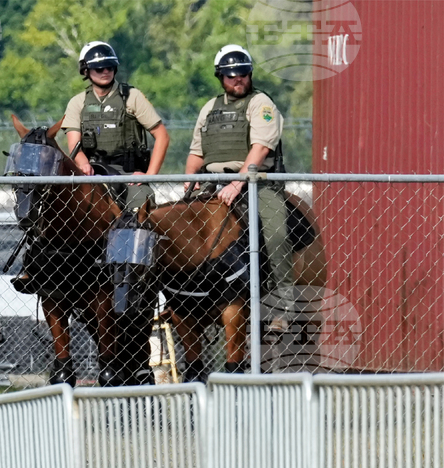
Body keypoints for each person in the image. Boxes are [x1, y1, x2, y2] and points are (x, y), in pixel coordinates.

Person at [186, 44, 291, 313]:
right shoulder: (209, 107)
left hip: (257, 183)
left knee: (277, 233)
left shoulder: (261, 103)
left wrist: (237, 182)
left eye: (243, 73)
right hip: (212, 182)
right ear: (220, 77)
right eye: (231, 75)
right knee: (182, 230)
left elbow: (261, 148)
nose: (238, 79)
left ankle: (282, 302)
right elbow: (197, 151)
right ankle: (184, 298)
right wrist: (189, 179)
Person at [64, 41, 170, 211]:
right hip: (93, 173)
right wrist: (83, 164)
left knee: (142, 205)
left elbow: (162, 136)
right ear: (86, 70)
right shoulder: (78, 102)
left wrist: (149, 175)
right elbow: (73, 144)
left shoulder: (132, 97)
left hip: (128, 175)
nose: (106, 71)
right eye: (99, 68)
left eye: (110, 67)